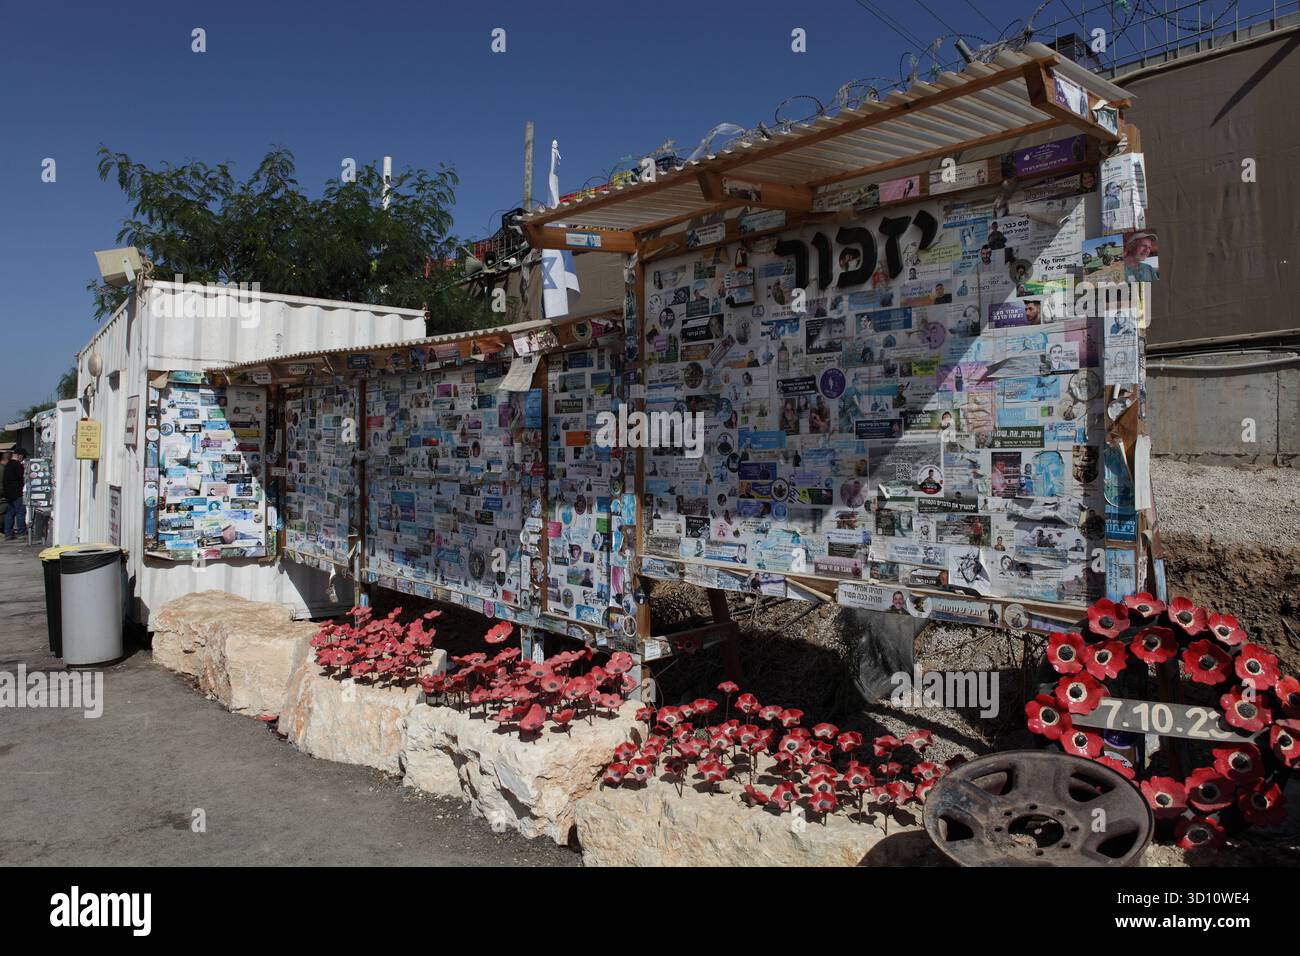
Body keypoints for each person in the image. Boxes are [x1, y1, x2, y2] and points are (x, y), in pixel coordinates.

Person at [3, 447, 27, 540]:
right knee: (20, 512)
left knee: (10, 513)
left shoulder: (8, 465)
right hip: (17, 492)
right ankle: (22, 532)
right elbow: (22, 477)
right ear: (19, 455)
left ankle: (8, 533)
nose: (23, 458)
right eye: (23, 456)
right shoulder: (17, 465)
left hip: (8, 494)